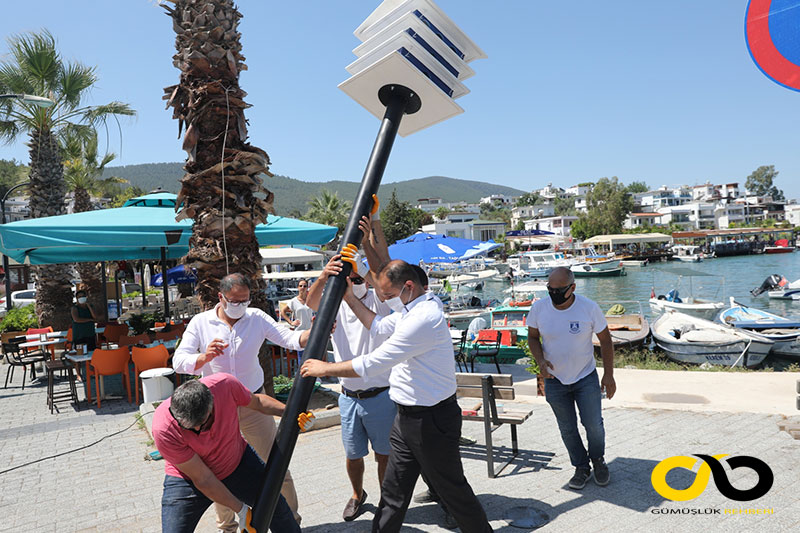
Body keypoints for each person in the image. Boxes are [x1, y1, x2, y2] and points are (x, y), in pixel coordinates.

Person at [301, 259, 492, 533]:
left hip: (432, 420)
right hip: (406, 418)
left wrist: (326, 368)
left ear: (409, 287)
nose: (385, 300)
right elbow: (377, 326)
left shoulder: (423, 318)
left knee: (453, 490)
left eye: (389, 295)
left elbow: (374, 362)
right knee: (393, 493)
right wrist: (348, 298)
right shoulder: (410, 309)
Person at [172, 273, 308, 530]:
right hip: (215, 410)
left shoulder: (256, 318)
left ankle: (291, 521)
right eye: (235, 300)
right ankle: (228, 527)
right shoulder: (201, 322)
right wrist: (203, 357)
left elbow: (287, 338)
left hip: (253, 402)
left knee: (276, 464)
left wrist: (312, 332)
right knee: (219, 472)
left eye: (245, 300)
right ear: (221, 297)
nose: (240, 305)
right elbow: (178, 361)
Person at [152, 373, 306, 533]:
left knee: (275, 507)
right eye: (189, 428)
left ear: (211, 404)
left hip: (237, 463)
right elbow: (204, 479)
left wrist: (292, 413)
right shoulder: (163, 428)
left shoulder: (225, 386)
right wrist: (242, 510)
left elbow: (258, 402)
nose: (197, 430)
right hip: (188, 479)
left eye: (202, 424)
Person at [307, 253, 395, 521]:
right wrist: (324, 275)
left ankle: (386, 499)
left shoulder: (380, 302)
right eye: (348, 278)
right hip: (348, 395)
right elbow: (311, 302)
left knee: (384, 454)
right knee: (353, 455)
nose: (352, 282)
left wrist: (362, 270)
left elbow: (381, 285)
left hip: (380, 394)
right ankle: (358, 494)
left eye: (357, 278)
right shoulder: (335, 303)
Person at [526, 266, 616, 489]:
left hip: (585, 377)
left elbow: (606, 341)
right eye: (550, 289)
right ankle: (581, 467)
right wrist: (540, 362)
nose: (553, 293)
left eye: (559, 289)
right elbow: (533, 338)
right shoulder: (539, 308)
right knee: (567, 427)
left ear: (572, 287)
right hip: (554, 379)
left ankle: (598, 461)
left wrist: (609, 375)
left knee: (593, 424)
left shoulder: (588, 308)